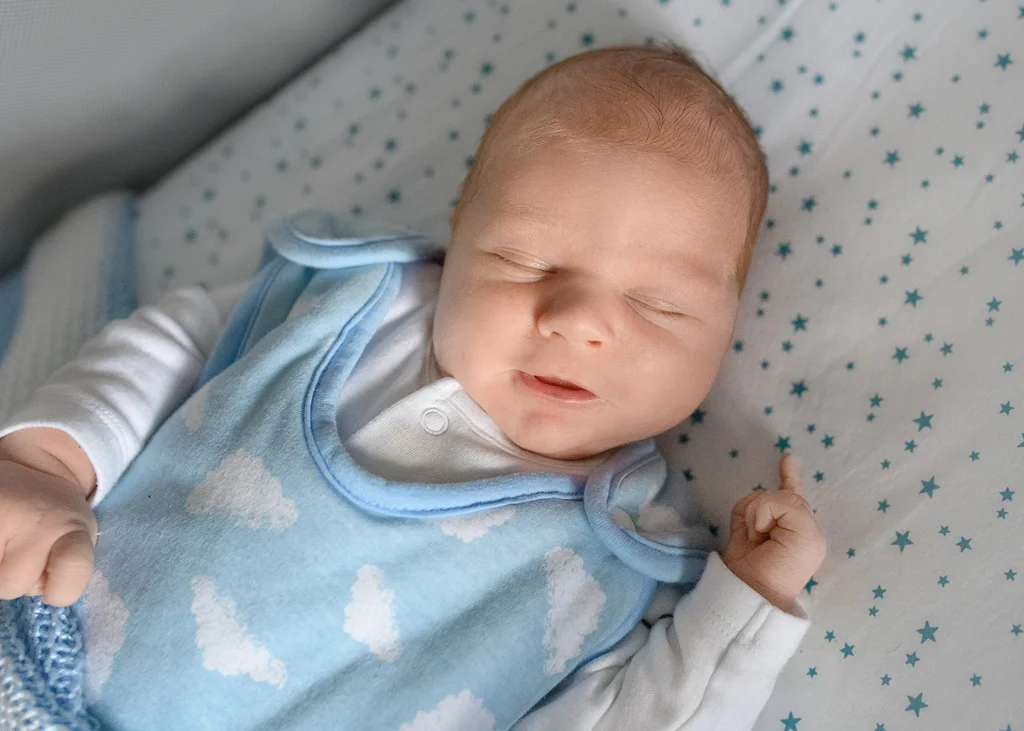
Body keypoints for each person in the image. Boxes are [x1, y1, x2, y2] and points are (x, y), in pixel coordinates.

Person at [0, 44, 826, 730]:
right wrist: (46, 463)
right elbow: (175, 342)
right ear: (459, 234)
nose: (577, 320)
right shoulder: (349, 310)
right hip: (33, 644)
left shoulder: (619, 555)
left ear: (724, 334)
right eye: (526, 261)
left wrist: (745, 603)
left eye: (657, 304)